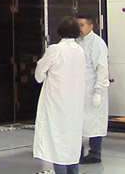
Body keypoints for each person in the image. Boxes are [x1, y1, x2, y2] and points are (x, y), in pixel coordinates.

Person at [33, 16, 86, 174]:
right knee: (72, 141)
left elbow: (39, 74)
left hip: (56, 103)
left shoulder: (55, 50)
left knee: (57, 142)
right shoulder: (80, 50)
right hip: (75, 103)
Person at [76, 15, 109, 164]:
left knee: (95, 122)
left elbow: (101, 69)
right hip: (79, 90)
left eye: (82, 25)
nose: (79, 28)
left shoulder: (97, 43)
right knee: (79, 123)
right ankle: (78, 152)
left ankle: (95, 153)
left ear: (91, 27)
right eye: (77, 25)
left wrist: (98, 92)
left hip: (93, 89)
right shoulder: (76, 42)